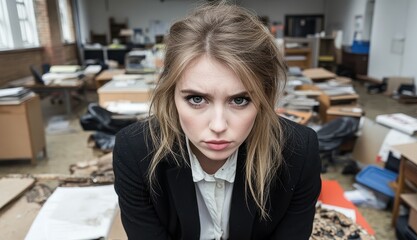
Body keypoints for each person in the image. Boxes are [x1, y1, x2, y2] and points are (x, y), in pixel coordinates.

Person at [113, 2, 321, 240]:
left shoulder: (299, 153)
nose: (219, 126)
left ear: (264, 97)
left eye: (240, 100)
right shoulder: (135, 152)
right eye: (196, 99)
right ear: (171, 94)